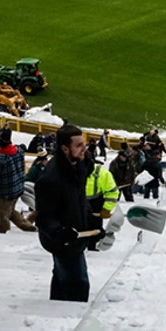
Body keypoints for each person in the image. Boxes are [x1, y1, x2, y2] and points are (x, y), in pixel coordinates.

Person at [35, 125, 98, 302]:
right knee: (77, 283)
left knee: (62, 278)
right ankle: (70, 318)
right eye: (78, 145)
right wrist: (59, 232)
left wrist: (92, 222)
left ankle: (57, 308)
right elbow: (43, 217)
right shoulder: (51, 179)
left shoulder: (79, 166)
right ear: (64, 148)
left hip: (77, 234)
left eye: (83, 144)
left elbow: (78, 200)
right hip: (62, 240)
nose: (84, 149)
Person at [0, 128, 36, 233]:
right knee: (9, 211)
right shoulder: (18, 150)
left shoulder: (1, 158)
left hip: (6, 192)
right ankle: (28, 226)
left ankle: (3, 234)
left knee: (1, 213)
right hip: (18, 188)